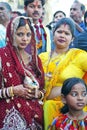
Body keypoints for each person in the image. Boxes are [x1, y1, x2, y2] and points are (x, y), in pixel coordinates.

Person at [39, 17, 87, 130]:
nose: (62, 35)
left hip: (71, 111)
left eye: (67, 33)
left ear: (72, 39)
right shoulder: (41, 58)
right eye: (59, 32)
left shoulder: (79, 56)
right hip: (42, 108)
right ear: (53, 33)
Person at [0, 16, 45, 129]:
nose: (25, 39)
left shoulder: (35, 60)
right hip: (9, 113)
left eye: (28, 35)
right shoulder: (2, 56)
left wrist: (37, 94)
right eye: (20, 34)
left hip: (34, 114)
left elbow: (43, 89)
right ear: (11, 34)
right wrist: (12, 90)